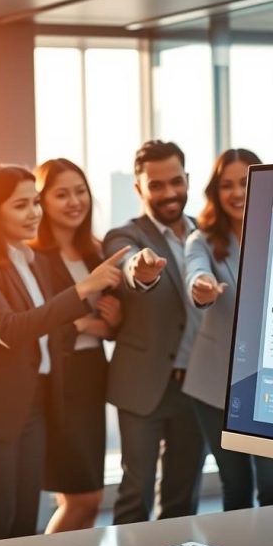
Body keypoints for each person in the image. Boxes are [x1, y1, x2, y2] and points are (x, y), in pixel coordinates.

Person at [0, 164, 127, 543]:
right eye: (20, 205)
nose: (34, 213)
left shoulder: (26, 261)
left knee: (22, 530)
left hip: (33, 405)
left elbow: (48, 326)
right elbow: (10, 329)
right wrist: (83, 293)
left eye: (34, 203)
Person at [103, 140, 208, 524]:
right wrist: (141, 270)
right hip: (142, 386)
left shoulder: (205, 235)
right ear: (139, 189)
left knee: (183, 498)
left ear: (187, 180)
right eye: (156, 185)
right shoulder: (124, 236)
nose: (169, 193)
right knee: (135, 493)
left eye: (176, 182)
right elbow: (130, 264)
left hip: (195, 386)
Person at [185, 149, 273, 511]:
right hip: (215, 385)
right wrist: (202, 285)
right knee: (237, 486)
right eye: (226, 185)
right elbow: (195, 270)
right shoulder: (201, 240)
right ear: (215, 191)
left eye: (244, 183)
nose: (236, 192)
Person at [32, 158, 122, 533]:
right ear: (43, 201)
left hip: (90, 377)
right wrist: (88, 323)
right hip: (58, 383)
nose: (74, 201)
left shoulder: (95, 252)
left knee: (84, 500)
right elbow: (39, 321)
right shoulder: (33, 255)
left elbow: (109, 319)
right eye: (61, 194)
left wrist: (110, 325)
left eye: (80, 191)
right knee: (83, 500)